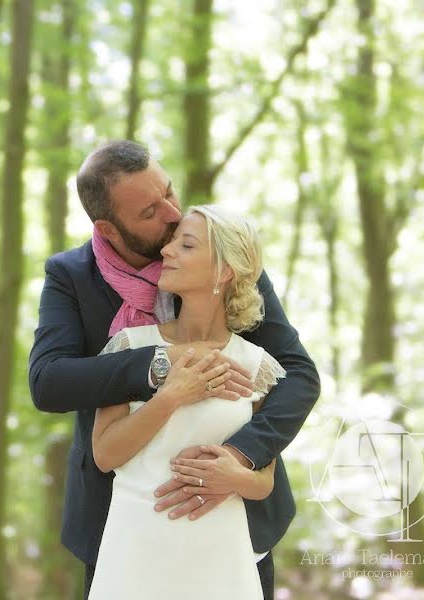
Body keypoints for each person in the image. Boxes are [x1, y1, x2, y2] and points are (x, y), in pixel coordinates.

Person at [28, 140, 320, 599]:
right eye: (148, 212)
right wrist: (161, 365)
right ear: (109, 227)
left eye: (169, 192)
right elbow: (48, 382)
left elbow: (298, 376)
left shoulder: (221, 256)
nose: (170, 214)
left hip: (234, 526)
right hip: (120, 526)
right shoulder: (71, 276)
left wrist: (241, 457)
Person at [89, 205, 285, 598]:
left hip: (220, 557)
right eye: (173, 241)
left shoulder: (257, 366)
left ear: (223, 271)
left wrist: (235, 478)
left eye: (187, 244)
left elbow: (265, 482)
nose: (166, 250)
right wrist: (173, 395)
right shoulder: (130, 346)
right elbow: (105, 455)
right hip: (135, 553)